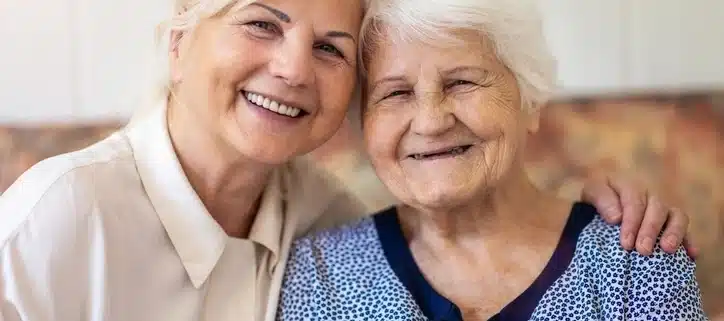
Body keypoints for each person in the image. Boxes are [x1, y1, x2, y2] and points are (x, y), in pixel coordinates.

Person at [0, 0, 695, 320]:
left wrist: (610, 216)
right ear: (179, 39)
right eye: (260, 22)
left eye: (331, 47)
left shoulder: (317, 219)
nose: (293, 68)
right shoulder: (59, 216)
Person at [276, 0, 708, 320]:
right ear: (365, 124)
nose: (430, 121)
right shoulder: (317, 274)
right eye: (396, 93)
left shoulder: (639, 263)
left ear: (531, 100)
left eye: (462, 82)